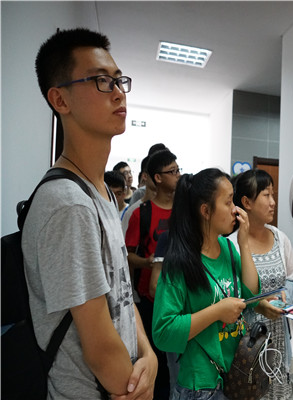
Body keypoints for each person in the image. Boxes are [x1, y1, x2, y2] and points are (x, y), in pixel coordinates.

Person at [23, 27, 157, 399]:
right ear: (60, 99)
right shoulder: (69, 204)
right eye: (100, 81)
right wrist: (139, 388)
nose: (118, 92)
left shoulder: (102, 192)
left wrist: (149, 355)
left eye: (119, 80)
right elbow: (99, 350)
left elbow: (122, 295)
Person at [152, 169, 260, 400]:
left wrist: (244, 244)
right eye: (228, 202)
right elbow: (163, 332)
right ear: (206, 211)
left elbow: (252, 296)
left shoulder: (228, 248)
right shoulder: (180, 262)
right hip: (199, 385)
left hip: (234, 375)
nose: (235, 210)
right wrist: (217, 312)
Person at [229, 169, 293, 399]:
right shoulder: (231, 245)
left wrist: (284, 296)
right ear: (246, 202)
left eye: (273, 195)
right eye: (266, 195)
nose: (273, 202)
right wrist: (259, 304)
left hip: (278, 338)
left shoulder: (281, 239)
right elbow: (229, 295)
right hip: (246, 344)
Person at [125, 148, 180, 399]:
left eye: (178, 170)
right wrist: (149, 262)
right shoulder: (141, 213)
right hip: (150, 300)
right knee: (155, 362)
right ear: (157, 178)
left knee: (177, 364)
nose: (178, 175)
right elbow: (127, 256)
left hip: (180, 299)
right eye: (172, 171)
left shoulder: (184, 213)